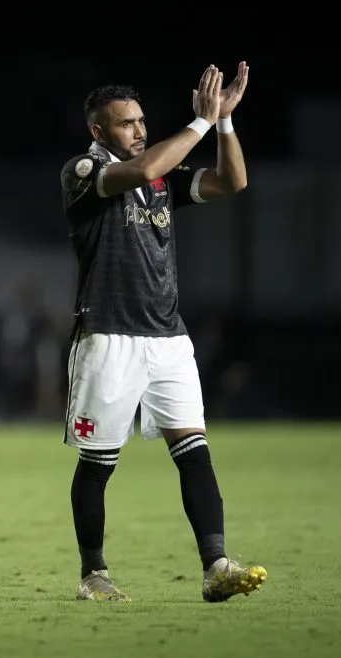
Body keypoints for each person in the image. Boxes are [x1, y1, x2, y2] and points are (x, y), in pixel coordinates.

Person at [60, 63, 267, 602]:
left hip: (168, 339)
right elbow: (147, 163)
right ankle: (94, 574)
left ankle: (216, 566)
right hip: (108, 337)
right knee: (99, 463)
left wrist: (222, 123)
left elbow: (231, 181)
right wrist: (198, 123)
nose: (139, 130)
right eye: (125, 124)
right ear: (99, 132)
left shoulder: (159, 181)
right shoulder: (84, 171)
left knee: (194, 450)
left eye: (141, 120)